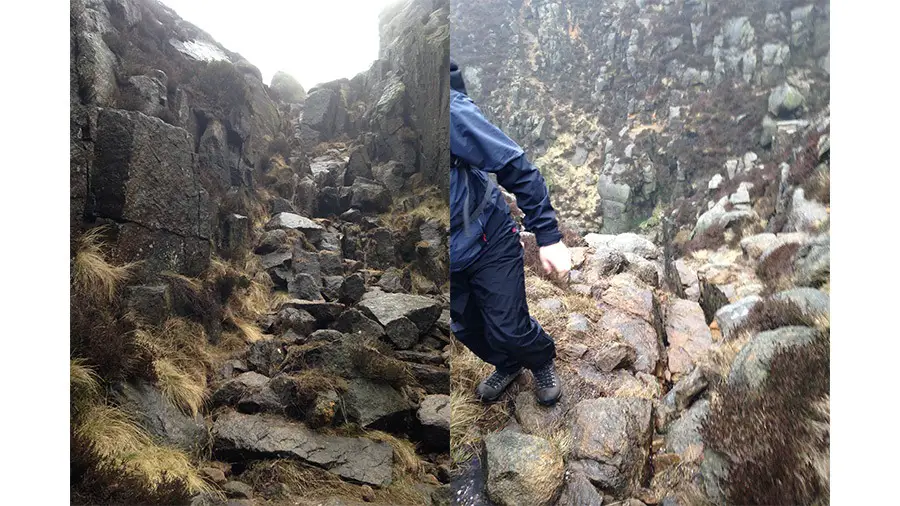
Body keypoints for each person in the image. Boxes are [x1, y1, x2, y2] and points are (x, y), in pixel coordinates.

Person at [449, 58, 571, 406]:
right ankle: (509, 363)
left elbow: (516, 166)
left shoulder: (451, 114)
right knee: (469, 329)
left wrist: (547, 237)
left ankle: (540, 359)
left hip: (489, 237)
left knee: (509, 327)